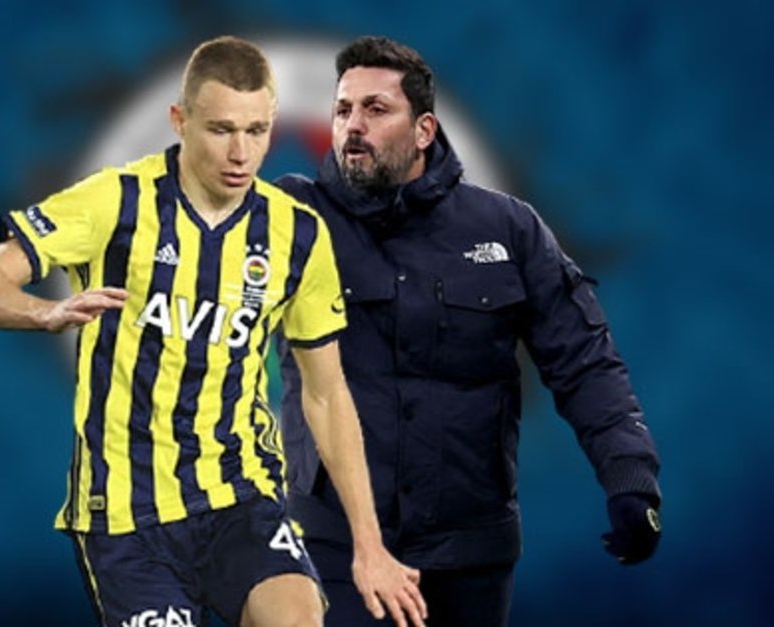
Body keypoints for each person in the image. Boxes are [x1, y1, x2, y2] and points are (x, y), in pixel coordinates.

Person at [0, 36, 427, 627]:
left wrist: (369, 546)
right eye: (221, 129)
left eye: (257, 131)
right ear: (180, 121)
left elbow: (326, 393)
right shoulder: (116, 202)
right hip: (125, 515)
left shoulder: (296, 234)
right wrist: (45, 313)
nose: (241, 152)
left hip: (240, 498)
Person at [275, 36, 663, 627]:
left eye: (376, 109)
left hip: (472, 558)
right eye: (343, 109)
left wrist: (630, 477)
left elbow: (584, 362)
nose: (353, 126)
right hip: (337, 548)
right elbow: (190, 250)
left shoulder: (508, 229)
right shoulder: (290, 218)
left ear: (424, 130)